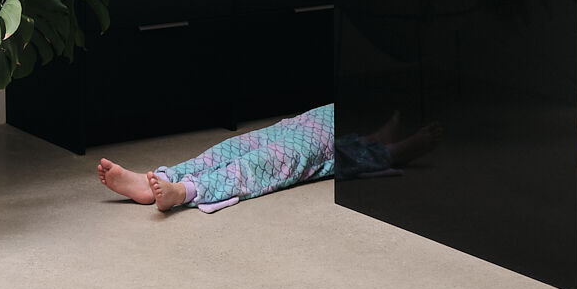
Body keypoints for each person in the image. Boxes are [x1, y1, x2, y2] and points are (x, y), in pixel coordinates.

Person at [97, 105, 441, 211]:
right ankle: (156, 179)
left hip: (326, 133)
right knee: (244, 144)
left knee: (275, 158)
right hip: (321, 116)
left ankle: (185, 190)